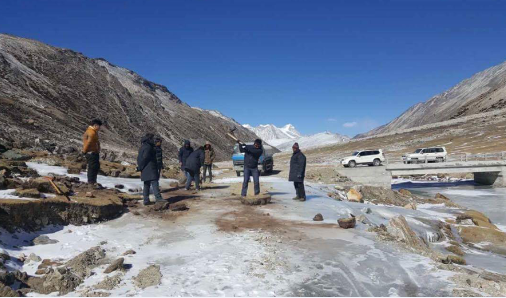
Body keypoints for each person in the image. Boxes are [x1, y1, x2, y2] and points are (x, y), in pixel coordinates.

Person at [137, 133, 163, 205]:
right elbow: (146, 157)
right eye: (152, 138)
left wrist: (140, 167)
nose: (153, 140)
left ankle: (146, 200)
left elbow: (140, 158)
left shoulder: (143, 146)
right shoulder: (148, 147)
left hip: (145, 168)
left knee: (146, 184)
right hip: (150, 167)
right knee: (155, 183)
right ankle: (158, 198)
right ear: (149, 139)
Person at [82, 119, 102, 184]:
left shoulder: (92, 131)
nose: (99, 128)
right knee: (92, 167)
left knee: (94, 167)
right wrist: (85, 150)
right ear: (95, 125)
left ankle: (92, 181)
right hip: (91, 152)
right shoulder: (92, 132)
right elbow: (89, 142)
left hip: (93, 152)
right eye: (99, 126)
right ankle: (91, 182)